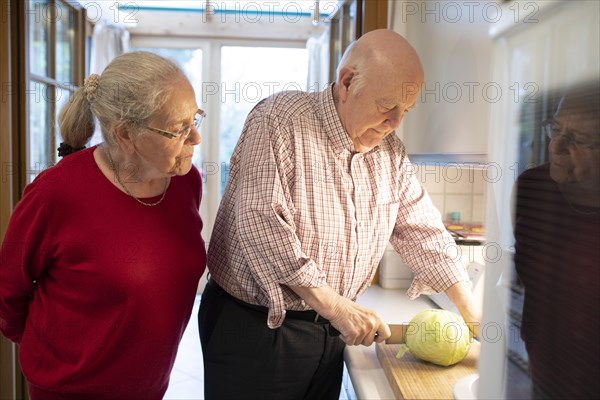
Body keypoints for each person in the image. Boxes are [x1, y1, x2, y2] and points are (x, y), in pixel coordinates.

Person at [199, 29, 480, 399]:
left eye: (405, 111)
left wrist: (472, 315)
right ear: (347, 82)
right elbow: (262, 224)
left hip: (331, 331)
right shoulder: (278, 121)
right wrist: (337, 307)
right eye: (387, 105)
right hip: (258, 330)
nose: (396, 122)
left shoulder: (389, 152)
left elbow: (423, 231)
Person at [0, 51, 207, 399]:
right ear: (125, 135)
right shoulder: (55, 194)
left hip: (150, 385)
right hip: (71, 389)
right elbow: (8, 291)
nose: (195, 139)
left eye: (195, 119)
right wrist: (56, 355)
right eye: (178, 129)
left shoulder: (187, 182)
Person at [514, 80, 600, 399]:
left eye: (577, 139)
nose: (557, 145)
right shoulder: (532, 188)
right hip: (542, 377)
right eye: (556, 128)